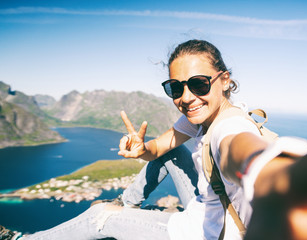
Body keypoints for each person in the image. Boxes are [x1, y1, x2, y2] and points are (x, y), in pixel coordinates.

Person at [1, 39, 255, 240]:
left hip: (213, 233)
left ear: (224, 80)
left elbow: (249, 153)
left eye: (199, 84)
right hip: (212, 208)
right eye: (175, 88)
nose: (186, 97)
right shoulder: (200, 117)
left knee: (100, 217)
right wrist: (142, 148)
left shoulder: (231, 127)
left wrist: (275, 168)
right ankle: (125, 203)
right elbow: (159, 148)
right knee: (173, 153)